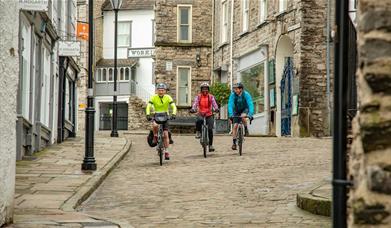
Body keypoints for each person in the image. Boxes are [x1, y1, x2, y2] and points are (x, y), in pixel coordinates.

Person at [146, 83, 177, 160]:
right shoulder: (153, 97)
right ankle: (156, 136)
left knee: (166, 134)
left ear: (165, 91)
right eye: (159, 90)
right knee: (155, 125)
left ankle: (166, 152)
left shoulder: (168, 97)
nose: (161, 92)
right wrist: (147, 114)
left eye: (162, 90)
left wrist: (173, 113)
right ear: (157, 91)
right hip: (156, 114)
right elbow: (148, 106)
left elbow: (173, 106)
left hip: (165, 115)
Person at [190, 82, 219, 152]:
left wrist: (216, 108)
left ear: (208, 90)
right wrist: (193, 109)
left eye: (206, 89)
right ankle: (198, 132)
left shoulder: (211, 97)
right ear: (201, 90)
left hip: (209, 114)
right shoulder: (199, 97)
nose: (205, 90)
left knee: (210, 129)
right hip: (201, 113)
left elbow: (214, 104)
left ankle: (211, 145)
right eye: (203, 89)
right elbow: (195, 104)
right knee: (199, 120)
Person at [228, 82, 254, 150]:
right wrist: (231, 114)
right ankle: (234, 143)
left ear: (241, 89)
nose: (235, 90)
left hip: (244, 109)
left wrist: (250, 114)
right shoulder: (233, 95)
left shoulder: (246, 94)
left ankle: (245, 128)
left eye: (237, 89)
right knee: (235, 126)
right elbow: (230, 104)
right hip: (236, 110)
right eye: (234, 89)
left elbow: (250, 104)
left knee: (243, 116)